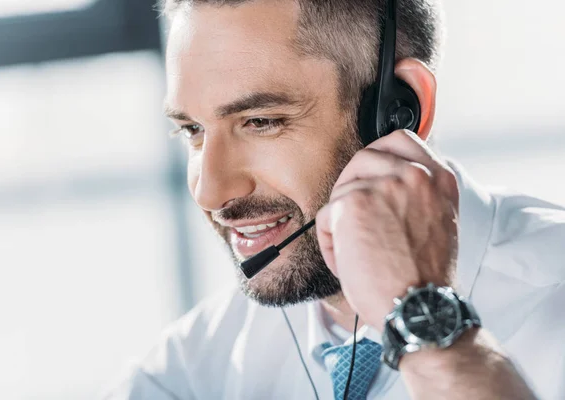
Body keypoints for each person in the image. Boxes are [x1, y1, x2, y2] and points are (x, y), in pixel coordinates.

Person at [106, 0, 565, 399]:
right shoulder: (199, 363)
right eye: (193, 130)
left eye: (261, 121)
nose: (211, 192)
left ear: (399, 110)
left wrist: (429, 329)